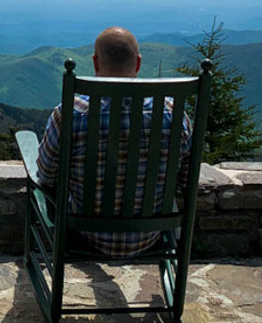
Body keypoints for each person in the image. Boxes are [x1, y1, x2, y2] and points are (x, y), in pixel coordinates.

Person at [36, 27, 192, 257]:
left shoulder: (71, 113)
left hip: (83, 232)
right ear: (138, 64)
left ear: (95, 63)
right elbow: (187, 178)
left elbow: (46, 175)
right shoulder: (173, 113)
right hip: (151, 234)